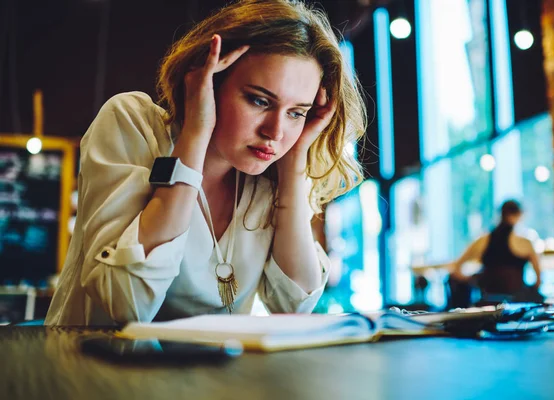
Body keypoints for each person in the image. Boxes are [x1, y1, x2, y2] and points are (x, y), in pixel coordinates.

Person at [45, 0, 366, 326]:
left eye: (297, 112)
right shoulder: (132, 124)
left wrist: (295, 164)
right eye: (259, 100)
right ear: (210, 82)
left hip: (214, 378)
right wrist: (195, 136)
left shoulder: (269, 175)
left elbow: (294, 307)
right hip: (88, 373)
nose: (275, 132)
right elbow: (125, 302)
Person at [449, 200, 543, 304]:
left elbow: (456, 268)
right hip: (518, 303)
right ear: (519, 215)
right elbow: (539, 279)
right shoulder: (525, 242)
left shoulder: (482, 241)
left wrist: (472, 280)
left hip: (488, 304)